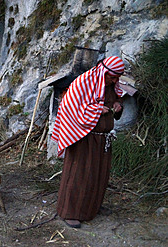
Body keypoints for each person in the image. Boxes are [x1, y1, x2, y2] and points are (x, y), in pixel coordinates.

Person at [51, 56, 125, 228]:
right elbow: (69, 106)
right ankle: (70, 211)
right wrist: (97, 109)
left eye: (117, 78)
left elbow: (118, 100)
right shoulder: (83, 82)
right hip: (83, 138)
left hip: (103, 139)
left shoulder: (112, 85)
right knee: (79, 174)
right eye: (112, 77)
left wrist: (118, 107)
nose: (115, 81)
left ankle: (92, 207)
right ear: (104, 71)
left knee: (98, 175)